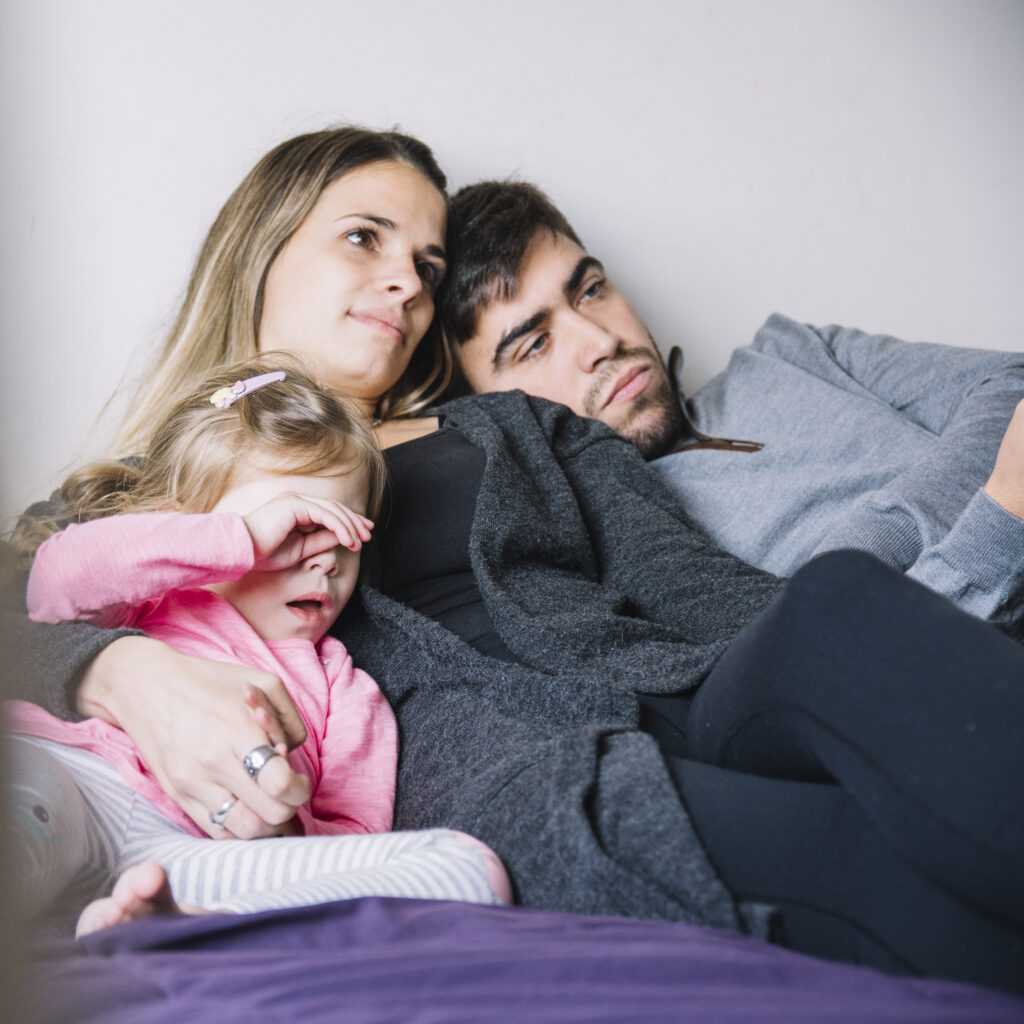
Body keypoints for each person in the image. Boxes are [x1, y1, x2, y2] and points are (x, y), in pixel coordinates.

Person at [4, 127, 1023, 991]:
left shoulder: (515, 425)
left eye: (426, 265)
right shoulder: (141, 489)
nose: (405, 282)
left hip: (681, 686)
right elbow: (23, 599)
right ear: (262, 250)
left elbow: (696, 587)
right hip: (540, 778)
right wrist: (120, 670)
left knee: (836, 608)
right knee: (873, 867)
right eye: (364, 237)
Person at [7, 359, 510, 935]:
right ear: (188, 527)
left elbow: (354, 836)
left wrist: (284, 826)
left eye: (348, 535)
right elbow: (53, 582)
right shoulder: (151, 598)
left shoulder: (345, 688)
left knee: (467, 868)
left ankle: (194, 927)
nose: (326, 560)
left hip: (187, 857)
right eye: (297, 528)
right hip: (71, 781)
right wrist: (242, 539)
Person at [439, 180, 1024, 633]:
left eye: (590, 290)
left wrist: (868, 546)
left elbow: (1011, 382)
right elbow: (849, 657)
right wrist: (999, 514)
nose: (601, 341)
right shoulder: (627, 554)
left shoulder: (788, 351)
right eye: (535, 344)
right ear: (488, 410)